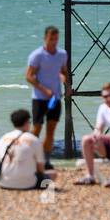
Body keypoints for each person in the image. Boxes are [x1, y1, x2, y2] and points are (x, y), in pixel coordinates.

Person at [25, 25, 69, 169]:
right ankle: (29, 157)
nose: (53, 42)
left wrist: (66, 83)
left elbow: (63, 72)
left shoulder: (62, 54)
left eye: (56, 39)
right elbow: (29, 76)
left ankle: (46, 160)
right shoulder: (37, 55)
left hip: (55, 98)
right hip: (39, 98)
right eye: (51, 39)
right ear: (45, 38)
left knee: (51, 130)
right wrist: (44, 89)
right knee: (36, 129)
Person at [0, 108, 56, 191]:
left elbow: (0, 161)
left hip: (4, 183)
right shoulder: (34, 139)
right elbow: (41, 169)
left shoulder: (3, 138)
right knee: (53, 174)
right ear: (27, 122)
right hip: (27, 184)